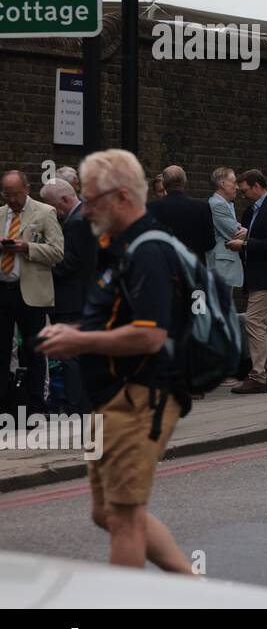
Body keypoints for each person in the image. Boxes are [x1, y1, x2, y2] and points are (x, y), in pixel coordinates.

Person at [35, 149, 189, 571]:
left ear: (121, 196)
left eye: (91, 200)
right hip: (107, 397)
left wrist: (79, 339)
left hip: (140, 395)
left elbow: (149, 334)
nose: (85, 210)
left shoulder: (148, 252)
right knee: (106, 513)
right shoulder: (118, 247)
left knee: (122, 518)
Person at [1, 170, 64, 416]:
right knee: (2, 350)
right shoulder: (1, 214)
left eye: (15, 194)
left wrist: (27, 247)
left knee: (34, 350)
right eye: (7, 195)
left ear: (26, 189)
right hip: (3, 290)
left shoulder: (44, 212)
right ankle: (4, 404)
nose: (12, 200)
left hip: (31, 293)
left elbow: (58, 252)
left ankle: (37, 405)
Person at [227, 170, 267, 393]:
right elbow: (263, 236)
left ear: (256, 186)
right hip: (266, 275)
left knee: (254, 322)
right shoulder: (258, 209)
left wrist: (244, 245)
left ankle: (257, 376)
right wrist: (246, 234)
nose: (243, 195)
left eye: (244, 190)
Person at [39, 177, 97, 411]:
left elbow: (70, 261)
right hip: (86, 296)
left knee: (70, 356)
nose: (54, 212)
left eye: (53, 206)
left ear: (65, 199)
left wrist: (42, 269)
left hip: (72, 299)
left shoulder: (76, 221)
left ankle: (75, 405)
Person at [146, 165, 215, 261]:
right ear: (184, 182)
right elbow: (210, 243)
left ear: (165, 184)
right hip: (192, 266)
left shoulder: (152, 208)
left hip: (164, 265)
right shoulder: (202, 207)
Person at [206, 167, 245, 291]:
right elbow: (234, 232)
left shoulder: (225, 204)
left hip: (224, 267)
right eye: (234, 183)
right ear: (222, 184)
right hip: (221, 267)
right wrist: (248, 231)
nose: (237, 187)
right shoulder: (217, 204)